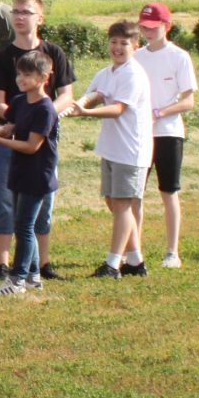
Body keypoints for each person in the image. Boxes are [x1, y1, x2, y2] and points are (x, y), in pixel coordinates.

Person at [0, 0, 76, 281]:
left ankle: (41, 264)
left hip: (44, 136)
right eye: (16, 12)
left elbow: (66, 96)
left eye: (26, 12)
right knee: (5, 197)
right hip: (10, 135)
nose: (20, 17)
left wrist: (43, 116)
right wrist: (16, 120)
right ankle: (2, 263)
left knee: (42, 200)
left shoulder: (54, 53)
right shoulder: (3, 58)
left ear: (40, 18)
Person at [67, 22, 154, 277]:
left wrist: (86, 111)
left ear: (135, 47)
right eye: (114, 42)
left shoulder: (134, 75)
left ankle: (113, 263)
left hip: (131, 150)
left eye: (124, 44)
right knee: (113, 202)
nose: (117, 48)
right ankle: (136, 261)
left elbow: (118, 109)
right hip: (111, 149)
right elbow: (95, 93)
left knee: (122, 205)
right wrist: (78, 104)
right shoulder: (107, 72)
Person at [133, 3, 198, 268]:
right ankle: (133, 250)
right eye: (144, 27)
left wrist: (158, 113)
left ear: (166, 26)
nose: (148, 32)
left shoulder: (179, 57)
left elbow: (188, 101)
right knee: (134, 194)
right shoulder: (136, 56)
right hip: (139, 134)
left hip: (169, 133)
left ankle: (172, 251)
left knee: (168, 191)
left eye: (153, 27)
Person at [0, 51, 59, 296]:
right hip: (20, 171)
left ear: (43, 77)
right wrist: (3, 130)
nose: (21, 79)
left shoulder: (46, 108)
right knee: (23, 223)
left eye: (27, 75)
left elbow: (32, 146)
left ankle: (17, 280)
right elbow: (13, 125)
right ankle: (33, 277)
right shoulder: (19, 101)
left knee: (25, 226)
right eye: (19, 74)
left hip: (37, 174)